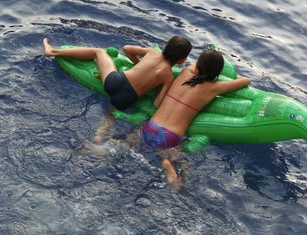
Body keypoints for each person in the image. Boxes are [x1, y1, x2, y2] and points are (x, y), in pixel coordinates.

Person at [140, 49, 250, 190]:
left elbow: (194, 67)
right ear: (217, 74)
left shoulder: (185, 73)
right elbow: (246, 81)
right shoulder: (214, 88)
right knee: (182, 175)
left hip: (150, 127)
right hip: (169, 137)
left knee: (127, 143)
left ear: (197, 66)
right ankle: (169, 168)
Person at [42, 36, 192, 110]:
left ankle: (53, 51)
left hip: (115, 81)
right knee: (110, 117)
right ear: (181, 60)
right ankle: (98, 143)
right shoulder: (168, 76)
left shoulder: (152, 52)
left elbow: (126, 49)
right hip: (127, 99)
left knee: (98, 52)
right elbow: (157, 103)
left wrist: (138, 64)